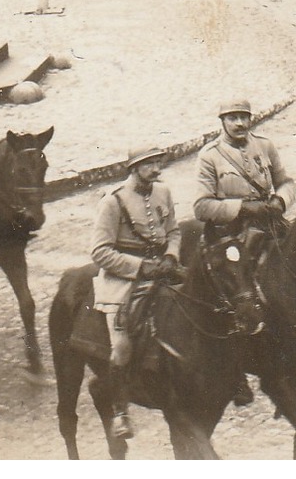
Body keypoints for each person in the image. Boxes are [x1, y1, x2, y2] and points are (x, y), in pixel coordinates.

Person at [90, 144, 179, 442]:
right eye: (150, 164)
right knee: (122, 344)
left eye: (158, 163)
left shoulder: (162, 192)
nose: (157, 169)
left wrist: (171, 256)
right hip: (123, 281)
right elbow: (100, 252)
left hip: (162, 269)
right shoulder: (113, 202)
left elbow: (173, 232)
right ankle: (119, 411)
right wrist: (140, 267)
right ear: (134, 168)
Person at [194, 98, 294, 250]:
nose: (239, 123)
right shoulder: (209, 155)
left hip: (269, 223)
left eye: (244, 117)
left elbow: (286, 183)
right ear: (222, 121)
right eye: (232, 118)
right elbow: (201, 207)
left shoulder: (264, 145)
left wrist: (280, 200)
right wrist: (243, 208)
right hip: (231, 234)